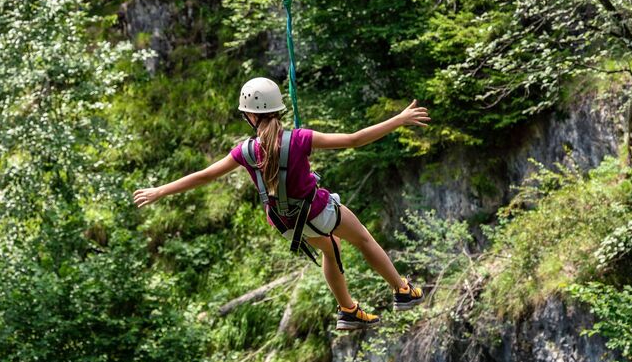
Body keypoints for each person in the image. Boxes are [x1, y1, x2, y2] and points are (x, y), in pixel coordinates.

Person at [133, 77, 429, 330]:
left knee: (332, 247)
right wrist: (398, 120)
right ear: (277, 110)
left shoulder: (245, 151)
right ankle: (402, 291)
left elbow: (204, 176)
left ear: (250, 116)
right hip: (317, 212)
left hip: (286, 223)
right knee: (363, 238)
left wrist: (160, 191)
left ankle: (348, 310)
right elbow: (353, 140)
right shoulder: (299, 139)